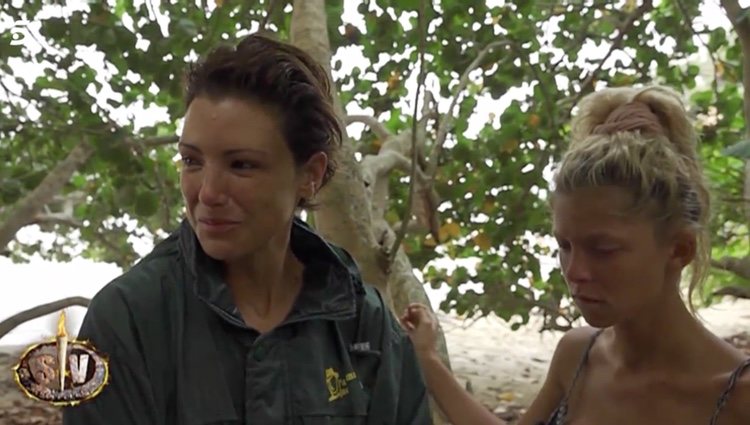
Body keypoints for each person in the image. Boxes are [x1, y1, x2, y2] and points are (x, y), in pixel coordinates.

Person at [63, 33, 431, 425]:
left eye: (241, 165)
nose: (208, 192)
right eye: (191, 161)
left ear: (310, 175)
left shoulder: (363, 323)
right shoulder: (127, 318)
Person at [400, 85, 750, 425]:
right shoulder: (580, 355)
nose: (575, 271)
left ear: (679, 249)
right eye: (564, 246)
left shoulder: (737, 397)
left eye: (603, 250)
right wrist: (427, 359)